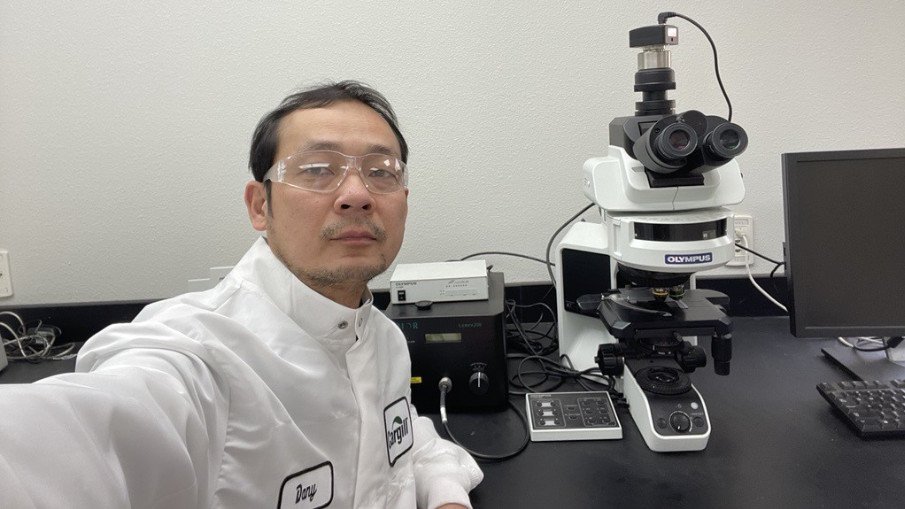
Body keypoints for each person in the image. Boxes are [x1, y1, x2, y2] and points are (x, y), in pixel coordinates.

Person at [0, 81, 483, 508]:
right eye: (317, 168)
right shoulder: (198, 359)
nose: (356, 193)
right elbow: (86, 438)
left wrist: (445, 492)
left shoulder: (382, 338)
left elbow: (397, 438)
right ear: (259, 205)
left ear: (403, 200)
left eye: (381, 171)